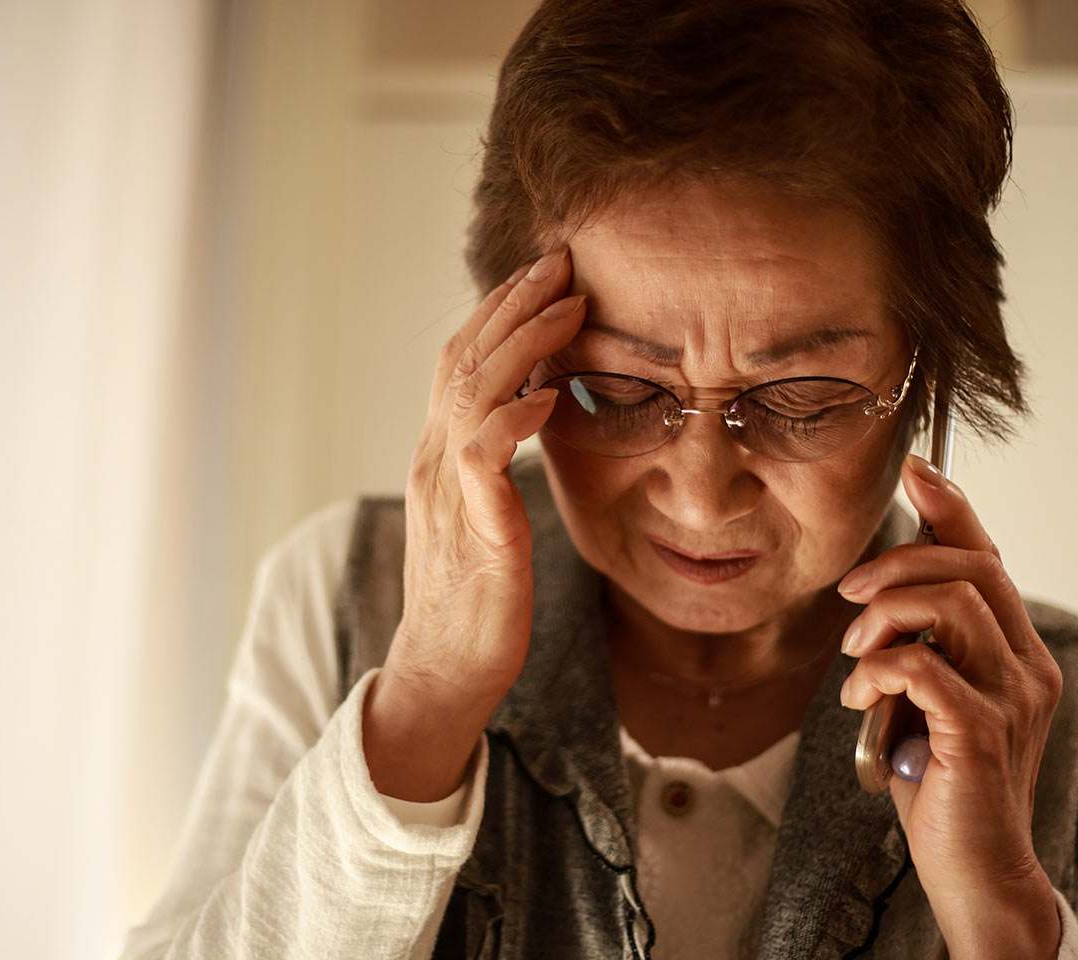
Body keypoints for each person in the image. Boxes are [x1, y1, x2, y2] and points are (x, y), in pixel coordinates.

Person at [121, 0, 1077, 957]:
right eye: (617, 390)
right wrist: (425, 703)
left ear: (929, 385)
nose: (702, 498)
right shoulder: (345, 594)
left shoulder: (1055, 712)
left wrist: (1003, 913)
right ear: (504, 358)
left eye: (798, 398)